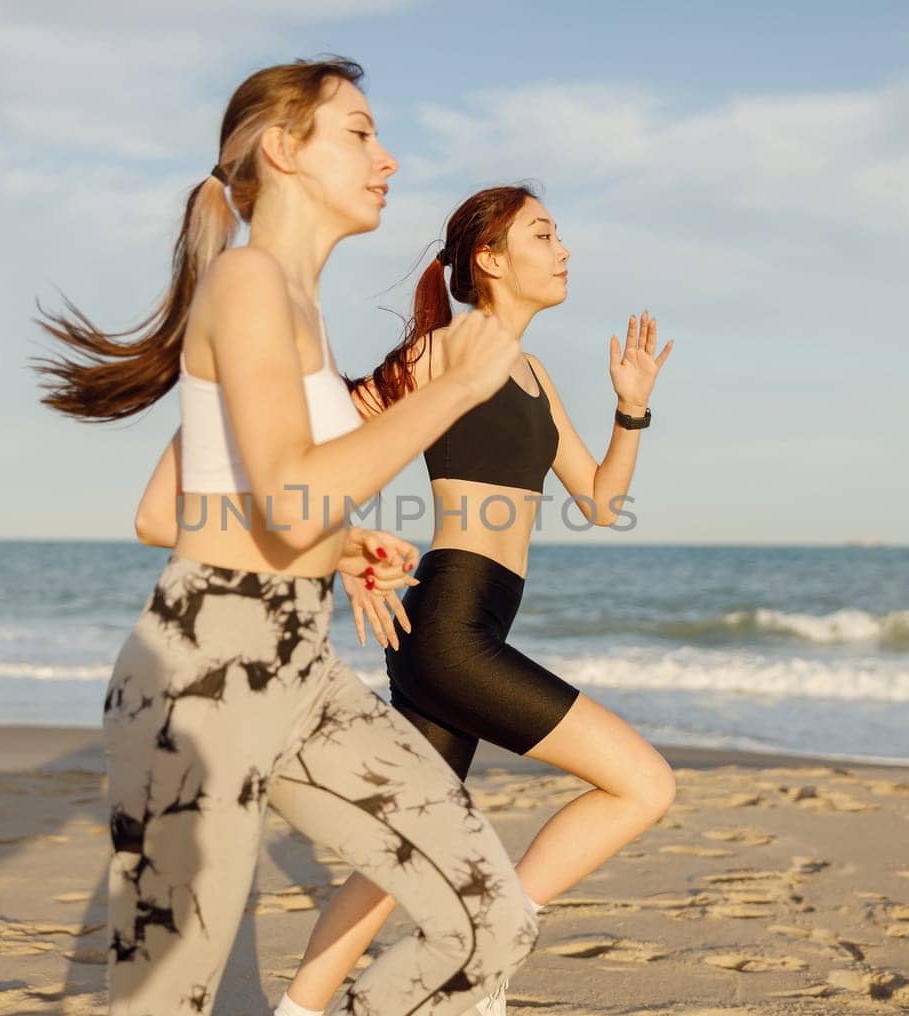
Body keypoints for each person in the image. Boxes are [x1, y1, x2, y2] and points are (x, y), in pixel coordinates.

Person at [34, 60, 540, 1015]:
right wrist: (452, 391)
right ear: (284, 147)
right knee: (163, 1000)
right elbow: (295, 498)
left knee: (490, 919)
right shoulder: (247, 281)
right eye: (359, 132)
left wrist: (337, 549)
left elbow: (166, 511)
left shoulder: (291, 304)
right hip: (202, 669)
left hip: (301, 663)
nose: (387, 158)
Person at [283, 185, 678, 1013]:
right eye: (544, 233)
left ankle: (299, 1010)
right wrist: (350, 548)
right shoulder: (439, 356)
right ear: (491, 259)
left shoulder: (531, 374)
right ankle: (485, 957)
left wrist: (631, 411)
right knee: (643, 784)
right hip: (451, 620)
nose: (563, 248)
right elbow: (319, 455)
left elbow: (601, 500)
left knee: (401, 849)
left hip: (475, 616)